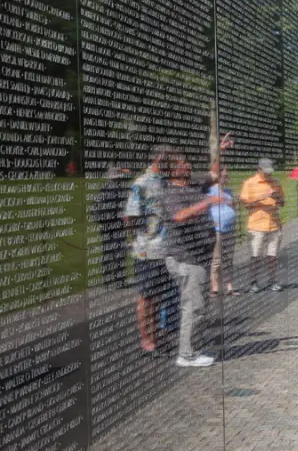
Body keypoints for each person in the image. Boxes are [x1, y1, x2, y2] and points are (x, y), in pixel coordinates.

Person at [162, 151, 220, 367]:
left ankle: (192, 348)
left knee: (198, 305)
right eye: (181, 163)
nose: (187, 164)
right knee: (193, 307)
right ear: (172, 170)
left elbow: (213, 174)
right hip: (185, 259)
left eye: (186, 161)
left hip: (198, 256)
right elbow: (179, 216)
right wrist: (206, 203)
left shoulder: (192, 183)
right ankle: (186, 355)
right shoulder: (170, 192)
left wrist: (220, 151)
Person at [124, 145, 172, 353]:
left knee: (159, 294)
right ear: (159, 158)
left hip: (164, 249)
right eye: (169, 159)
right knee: (146, 296)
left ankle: (156, 334)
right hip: (147, 250)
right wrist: (140, 238)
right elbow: (130, 217)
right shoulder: (141, 184)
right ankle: (147, 339)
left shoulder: (166, 182)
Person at [240, 158, 285, 293]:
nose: (269, 175)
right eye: (266, 172)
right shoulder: (250, 183)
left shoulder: (276, 183)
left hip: (274, 225)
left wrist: (277, 197)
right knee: (255, 255)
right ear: (259, 169)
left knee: (272, 256)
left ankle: (272, 280)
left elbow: (282, 203)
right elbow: (246, 204)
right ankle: (253, 282)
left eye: (270, 172)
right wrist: (262, 197)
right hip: (256, 226)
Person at [92, 165, 131, 288]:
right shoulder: (118, 190)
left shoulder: (103, 189)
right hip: (116, 225)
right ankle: (120, 281)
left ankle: (107, 280)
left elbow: (94, 207)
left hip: (106, 225)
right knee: (119, 253)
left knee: (108, 253)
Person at [209, 167, 239, 297]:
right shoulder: (211, 192)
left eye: (227, 176)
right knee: (217, 259)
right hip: (217, 231)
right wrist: (212, 222)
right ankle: (214, 288)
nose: (227, 179)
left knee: (228, 259)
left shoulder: (228, 191)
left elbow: (234, 207)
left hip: (229, 230)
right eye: (225, 176)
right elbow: (206, 210)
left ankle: (229, 286)